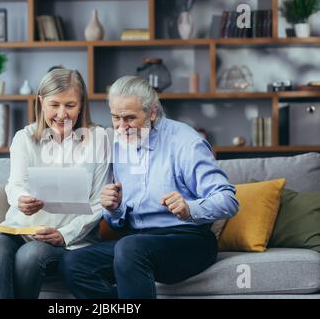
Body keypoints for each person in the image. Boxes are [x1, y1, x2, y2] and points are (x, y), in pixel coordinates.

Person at [60, 75, 239, 299]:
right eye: (115, 117)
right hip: (138, 241)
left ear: (152, 112)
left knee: (130, 248)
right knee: (74, 263)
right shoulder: (117, 144)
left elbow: (228, 200)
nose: (121, 127)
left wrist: (189, 208)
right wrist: (114, 208)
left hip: (189, 240)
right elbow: (117, 221)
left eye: (129, 118)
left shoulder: (185, 142)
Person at [0, 68, 110, 299]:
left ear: (82, 104)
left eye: (70, 105)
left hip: (67, 237)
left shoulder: (98, 139)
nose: (62, 114)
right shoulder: (24, 138)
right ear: (41, 102)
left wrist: (64, 234)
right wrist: (20, 199)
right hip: (21, 228)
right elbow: (15, 185)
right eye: (54, 104)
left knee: (30, 256)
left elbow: (99, 202)